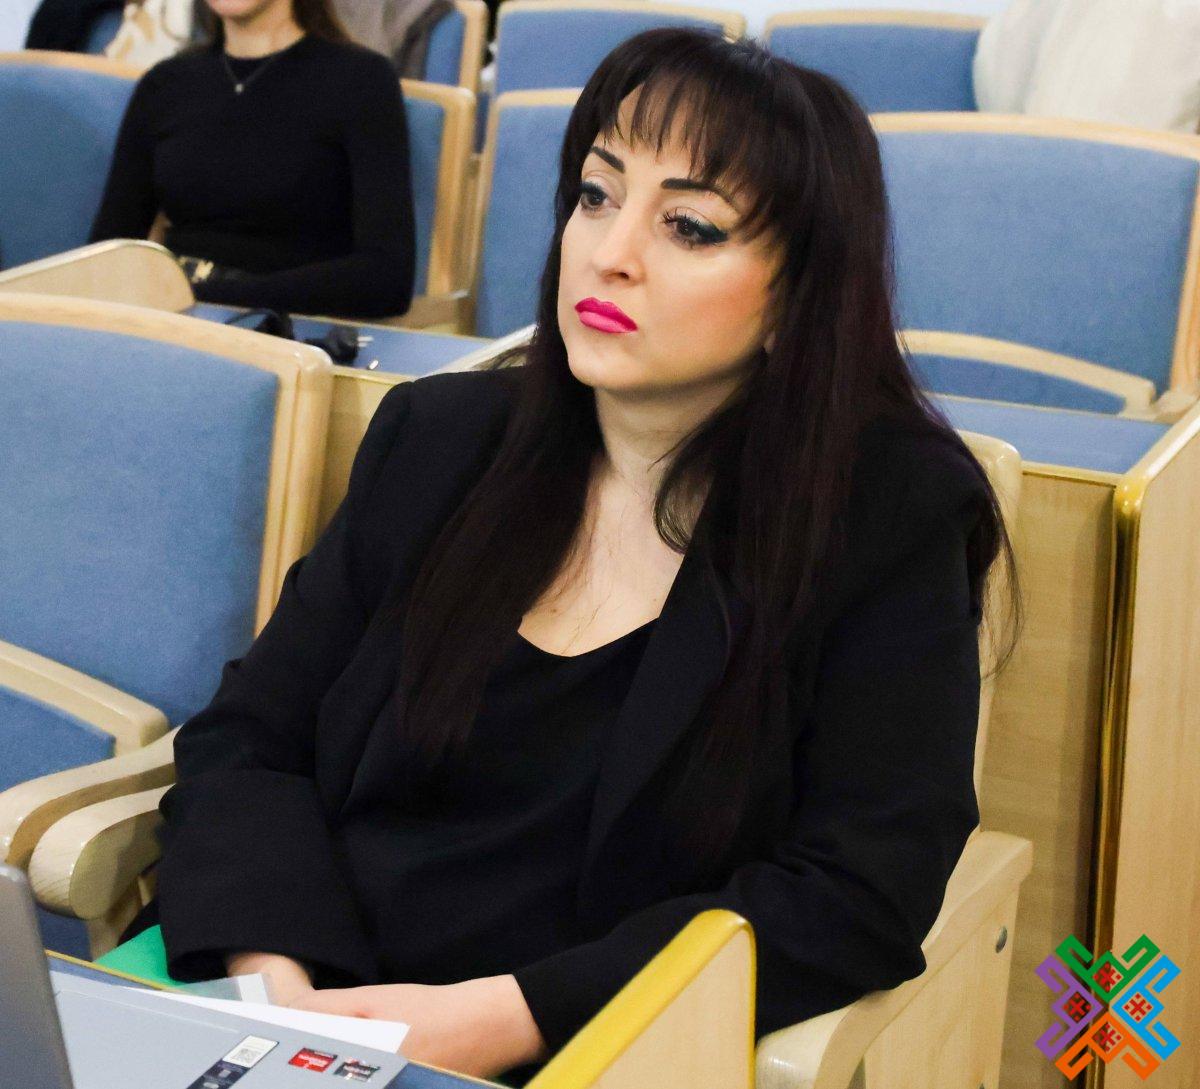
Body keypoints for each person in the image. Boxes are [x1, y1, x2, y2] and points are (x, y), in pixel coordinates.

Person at [149, 28, 1016, 1080]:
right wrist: (277, 986)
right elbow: (250, 738)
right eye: (597, 196)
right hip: (298, 1006)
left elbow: (858, 886)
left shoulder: (883, 516)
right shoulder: (439, 438)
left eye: (690, 225)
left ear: (798, 295)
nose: (611, 252)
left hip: (597, 1046)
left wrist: (511, 1017)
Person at [89, 0, 416, 319]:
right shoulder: (165, 84)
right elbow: (106, 255)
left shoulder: (361, 80)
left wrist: (203, 297)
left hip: (286, 326)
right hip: (170, 321)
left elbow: (386, 277)